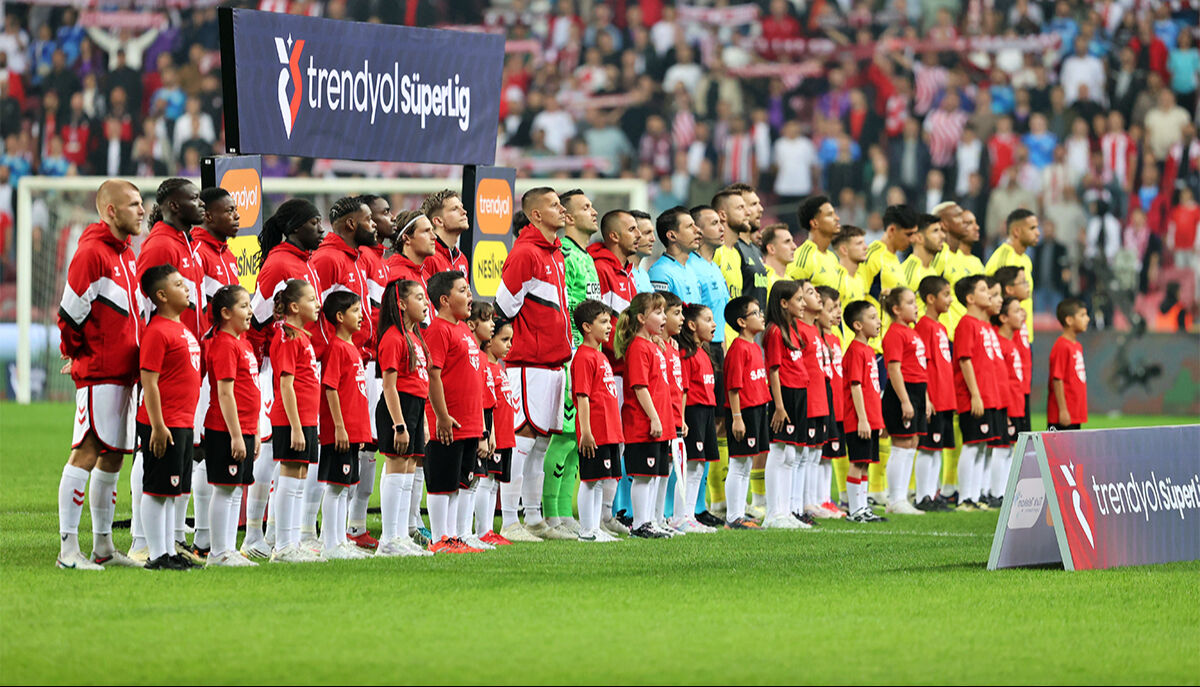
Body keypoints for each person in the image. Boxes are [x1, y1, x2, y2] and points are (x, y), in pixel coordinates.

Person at [56, 179, 145, 570]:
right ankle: (67, 551)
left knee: (112, 458)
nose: (142, 210)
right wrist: (79, 355)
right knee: (87, 452)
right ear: (111, 211)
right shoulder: (92, 253)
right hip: (100, 373)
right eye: (134, 204)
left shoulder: (126, 253)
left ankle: (103, 548)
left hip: (124, 374)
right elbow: (69, 315)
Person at [242, 199, 323, 559]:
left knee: (291, 458)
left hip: (298, 362)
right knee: (271, 450)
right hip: (274, 366)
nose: (321, 229)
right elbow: (257, 317)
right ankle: (253, 536)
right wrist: (260, 360)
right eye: (314, 222)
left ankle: (278, 534)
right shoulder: (279, 264)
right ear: (293, 228)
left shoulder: (304, 261)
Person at [135, 178, 206, 562]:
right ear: (173, 205)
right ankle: (142, 542)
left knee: (176, 465)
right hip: (165, 364)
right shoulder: (161, 245)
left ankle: (169, 541)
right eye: (193, 198)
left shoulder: (185, 242)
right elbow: (143, 300)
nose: (201, 203)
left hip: (184, 361)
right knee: (149, 456)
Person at [495, 189, 572, 540]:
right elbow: (502, 308)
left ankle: (534, 517)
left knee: (540, 444)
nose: (562, 209)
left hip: (552, 363)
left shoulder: (554, 252)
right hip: (528, 363)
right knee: (522, 439)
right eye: (555, 205)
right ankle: (510, 521)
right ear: (536, 215)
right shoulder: (525, 253)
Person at [309, 197, 377, 549]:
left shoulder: (354, 258)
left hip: (355, 360)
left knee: (346, 473)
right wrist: (328, 350)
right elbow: (313, 312)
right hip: (331, 364)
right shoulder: (328, 259)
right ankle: (307, 534)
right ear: (352, 224)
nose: (374, 224)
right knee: (321, 467)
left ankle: (335, 536)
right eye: (369, 218)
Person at [542, 189, 601, 539]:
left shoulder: (586, 257)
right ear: (567, 216)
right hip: (570, 357)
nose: (593, 212)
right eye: (585, 207)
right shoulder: (563, 254)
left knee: (579, 437)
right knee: (564, 438)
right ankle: (551, 513)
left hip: (589, 356)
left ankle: (565, 512)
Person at [188, 186, 241, 560]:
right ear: (208, 215)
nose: (237, 216)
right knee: (200, 451)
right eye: (230, 210)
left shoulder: (227, 255)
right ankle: (195, 537)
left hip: (224, 362)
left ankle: (206, 541)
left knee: (212, 452)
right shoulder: (198, 253)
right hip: (203, 365)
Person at [424, 271, 486, 554]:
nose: (470, 295)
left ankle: (453, 537)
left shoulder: (463, 330)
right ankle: (440, 538)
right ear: (445, 300)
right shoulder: (439, 329)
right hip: (449, 421)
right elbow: (433, 375)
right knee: (442, 482)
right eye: (463, 291)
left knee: (458, 483)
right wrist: (441, 416)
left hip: (469, 422)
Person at [587, 210, 641, 536]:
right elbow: (600, 322)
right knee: (605, 443)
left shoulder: (627, 272)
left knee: (617, 444)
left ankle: (607, 514)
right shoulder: (602, 269)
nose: (639, 234)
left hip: (625, 369)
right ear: (614, 236)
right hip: (609, 369)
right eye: (632, 229)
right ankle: (593, 516)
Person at [347, 194, 396, 548]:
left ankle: (356, 525)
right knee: (360, 443)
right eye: (384, 213)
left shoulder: (380, 259)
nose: (389, 218)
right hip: (363, 361)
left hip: (376, 360)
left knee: (370, 445)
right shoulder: (362, 258)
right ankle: (347, 526)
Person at [374, 280, 434, 557]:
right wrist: (399, 425)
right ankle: (388, 539)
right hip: (398, 407)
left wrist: (422, 422)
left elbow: (421, 385)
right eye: (419, 298)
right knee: (397, 467)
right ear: (401, 303)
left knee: (409, 471)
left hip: (415, 407)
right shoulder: (393, 337)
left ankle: (400, 535)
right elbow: (389, 386)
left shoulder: (414, 337)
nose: (425, 303)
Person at [201, 284, 259, 567]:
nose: (250, 311)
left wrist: (254, 432)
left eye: (250, 305)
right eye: (244, 306)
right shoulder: (224, 344)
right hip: (225, 430)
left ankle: (229, 548)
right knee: (225, 489)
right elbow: (225, 394)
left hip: (245, 428)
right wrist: (236, 435)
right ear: (225, 313)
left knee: (236, 489)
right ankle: (217, 552)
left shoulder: (243, 343)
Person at [267, 279, 323, 563]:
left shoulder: (302, 336)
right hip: (292, 421)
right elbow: (285, 385)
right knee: (290, 479)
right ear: (294, 307)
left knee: (300, 478)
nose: (317, 304)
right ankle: (283, 546)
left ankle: (293, 541)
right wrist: (297, 427)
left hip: (306, 419)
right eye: (311, 299)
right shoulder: (287, 337)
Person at [316, 291, 372, 560]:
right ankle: (331, 543)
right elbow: (330, 388)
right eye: (355, 311)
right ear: (340, 317)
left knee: (345, 487)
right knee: (335, 486)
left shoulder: (352, 348)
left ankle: (340, 540)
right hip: (340, 431)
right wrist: (339, 426)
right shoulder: (336, 348)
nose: (362, 316)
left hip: (353, 431)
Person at [616, 292, 673, 538]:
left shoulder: (652, 345)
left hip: (657, 423)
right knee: (643, 476)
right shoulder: (638, 348)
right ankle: (640, 524)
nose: (664, 318)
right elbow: (640, 387)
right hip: (643, 424)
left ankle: (649, 521)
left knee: (652, 476)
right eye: (658, 313)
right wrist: (654, 417)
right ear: (641, 318)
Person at [687, 204, 730, 527]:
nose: (721, 227)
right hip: (700, 351)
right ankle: (691, 506)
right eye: (714, 222)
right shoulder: (692, 268)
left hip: (717, 349)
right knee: (700, 425)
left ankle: (705, 503)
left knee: (716, 424)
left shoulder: (714, 267)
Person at [571, 300, 624, 542]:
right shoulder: (584, 356)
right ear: (586, 327)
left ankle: (595, 527)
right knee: (590, 481)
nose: (609, 326)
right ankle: (586, 531)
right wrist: (586, 431)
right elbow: (582, 396)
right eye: (603, 322)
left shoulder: (601, 356)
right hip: (595, 431)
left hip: (609, 430)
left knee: (600, 481)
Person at [762, 280, 810, 530]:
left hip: (799, 393)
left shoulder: (793, 330)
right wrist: (779, 406)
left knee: (791, 454)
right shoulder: (774, 331)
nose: (803, 304)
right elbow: (774, 371)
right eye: (799, 299)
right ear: (783, 303)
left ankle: (785, 510)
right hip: (786, 395)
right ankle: (773, 513)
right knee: (779, 452)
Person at [951, 275, 1001, 512]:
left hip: (988, 395)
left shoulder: (985, 326)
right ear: (970, 298)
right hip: (974, 396)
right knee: (971, 445)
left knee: (982, 446)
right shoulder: (966, 324)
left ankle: (976, 494)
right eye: (983, 289)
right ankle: (965, 498)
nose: (988, 293)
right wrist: (975, 394)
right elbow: (965, 360)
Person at [880, 287, 928, 516]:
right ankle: (895, 498)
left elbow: (919, 368)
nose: (916, 306)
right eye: (910, 303)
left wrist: (925, 399)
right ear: (897, 309)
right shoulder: (895, 333)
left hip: (917, 391)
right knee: (901, 444)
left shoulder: (912, 332)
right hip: (903, 392)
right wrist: (905, 401)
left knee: (912, 443)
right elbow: (894, 369)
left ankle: (902, 497)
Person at [722, 295, 769, 530]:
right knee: (738, 463)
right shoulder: (738, 348)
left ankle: (739, 513)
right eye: (755, 313)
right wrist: (737, 417)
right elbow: (733, 386)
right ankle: (733, 517)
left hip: (757, 409)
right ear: (741, 322)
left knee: (746, 464)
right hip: (744, 411)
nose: (761, 316)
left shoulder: (754, 347)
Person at [840, 300, 887, 523]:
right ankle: (855, 510)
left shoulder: (868, 350)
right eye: (872, 317)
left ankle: (863, 507)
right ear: (858, 325)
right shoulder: (855, 351)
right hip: (859, 419)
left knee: (865, 463)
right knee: (857, 462)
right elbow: (855, 386)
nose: (879, 322)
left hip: (871, 418)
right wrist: (862, 419)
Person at [674, 303, 720, 533]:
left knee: (700, 466)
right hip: (693, 412)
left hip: (706, 411)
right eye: (708, 320)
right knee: (690, 466)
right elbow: (683, 389)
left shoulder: (703, 352)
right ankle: (680, 517)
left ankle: (690, 515)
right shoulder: (685, 355)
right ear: (692, 325)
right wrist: (681, 418)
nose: (714, 325)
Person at [913, 276, 956, 511]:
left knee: (937, 448)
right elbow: (923, 364)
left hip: (945, 397)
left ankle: (933, 493)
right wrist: (927, 397)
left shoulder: (941, 327)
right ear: (931, 298)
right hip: (934, 398)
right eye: (946, 295)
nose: (950, 300)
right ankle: (922, 496)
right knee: (928, 448)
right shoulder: (924, 326)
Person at [794, 280, 833, 522]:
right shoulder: (798, 330)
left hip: (820, 398)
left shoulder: (814, 330)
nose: (817, 296)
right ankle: (801, 503)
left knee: (816, 452)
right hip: (807, 399)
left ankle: (811, 500)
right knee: (804, 453)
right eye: (810, 292)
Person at [478, 317, 517, 547]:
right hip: (494, 436)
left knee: (494, 484)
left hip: (504, 435)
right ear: (489, 341)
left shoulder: (499, 368)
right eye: (504, 339)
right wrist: (489, 433)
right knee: (486, 481)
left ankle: (489, 529)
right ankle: (482, 530)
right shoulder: (486, 367)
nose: (509, 345)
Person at [462, 303, 498, 551]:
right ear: (472, 325)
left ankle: (468, 532)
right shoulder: (471, 354)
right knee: (467, 480)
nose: (492, 325)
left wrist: (490, 432)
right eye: (486, 320)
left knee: (475, 480)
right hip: (473, 424)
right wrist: (482, 433)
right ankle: (462, 533)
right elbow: (474, 397)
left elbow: (487, 400)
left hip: (483, 424)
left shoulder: (482, 357)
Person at [655, 292, 688, 536]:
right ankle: (652, 518)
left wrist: (682, 417)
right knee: (657, 471)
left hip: (675, 417)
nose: (682, 318)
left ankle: (660, 518)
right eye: (676, 313)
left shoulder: (674, 348)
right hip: (662, 418)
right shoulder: (657, 348)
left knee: (667, 469)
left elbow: (680, 387)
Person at [989, 297, 1026, 506]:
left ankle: (1005, 492)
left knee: (1010, 449)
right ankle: (996, 493)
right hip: (1006, 404)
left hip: (1017, 403)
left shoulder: (1011, 343)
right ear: (1003, 317)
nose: (1022, 314)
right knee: (1001, 448)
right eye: (1017, 310)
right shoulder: (999, 343)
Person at [815, 286, 848, 517]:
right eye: (832, 308)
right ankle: (817, 500)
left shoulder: (836, 339)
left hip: (837, 403)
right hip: (822, 403)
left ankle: (825, 499)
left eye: (839, 307)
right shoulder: (816, 339)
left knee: (829, 455)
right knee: (819, 455)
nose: (838, 312)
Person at [986, 208, 1040, 343]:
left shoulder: (1025, 259)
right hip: (1008, 338)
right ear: (1017, 231)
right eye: (1032, 228)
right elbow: (991, 300)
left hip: (1025, 336)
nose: (1038, 233)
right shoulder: (1003, 259)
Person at [994, 266, 1034, 433]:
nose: (1028, 286)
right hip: (1011, 393)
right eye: (1023, 282)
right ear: (1009, 289)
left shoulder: (1020, 319)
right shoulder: (1005, 324)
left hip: (1021, 389)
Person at [1047, 298, 1090, 431]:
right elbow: (1057, 379)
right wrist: (1063, 410)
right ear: (1069, 320)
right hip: (1064, 415)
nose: (1087, 319)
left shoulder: (1077, 346)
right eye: (1082, 315)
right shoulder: (1062, 346)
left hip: (1075, 414)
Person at [786, 195, 842, 288]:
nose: (837, 218)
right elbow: (791, 293)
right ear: (814, 223)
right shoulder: (802, 258)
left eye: (834, 213)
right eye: (829, 215)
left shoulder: (832, 257)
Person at [649, 206, 702, 302]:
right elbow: (660, 310)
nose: (697, 229)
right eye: (690, 226)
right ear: (672, 236)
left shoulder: (690, 270)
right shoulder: (661, 272)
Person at [419, 189, 470, 282]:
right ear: (438, 221)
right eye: (455, 209)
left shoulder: (461, 258)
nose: (464, 212)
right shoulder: (428, 258)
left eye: (461, 207)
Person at [830, 225, 868, 346]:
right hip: (842, 349)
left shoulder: (859, 279)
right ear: (844, 250)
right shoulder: (837, 278)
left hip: (858, 348)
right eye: (859, 244)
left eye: (864, 243)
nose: (865, 247)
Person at [902, 214, 945, 316]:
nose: (943, 235)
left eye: (941, 230)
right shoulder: (908, 272)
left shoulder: (932, 270)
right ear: (919, 238)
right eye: (935, 231)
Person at [760, 223, 796, 297]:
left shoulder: (791, 281)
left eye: (792, 241)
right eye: (787, 242)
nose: (794, 247)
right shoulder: (762, 278)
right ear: (771, 249)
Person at [629, 209, 655, 293]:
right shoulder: (620, 273)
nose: (653, 239)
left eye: (652, 233)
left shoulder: (644, 275)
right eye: (647, 233)